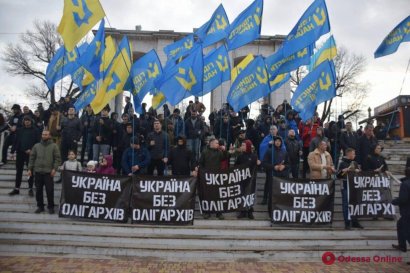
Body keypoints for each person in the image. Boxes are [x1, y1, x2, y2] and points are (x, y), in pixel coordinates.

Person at [28, 130, 61, 214]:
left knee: (49, 190)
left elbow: (57, 159)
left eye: (46, 134)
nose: (44, 136)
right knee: (38, 190)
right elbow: (32, 158)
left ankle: (50, 207)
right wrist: (29, 169)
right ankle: (40, 206)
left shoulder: (54, 146)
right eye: (43, 134)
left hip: (48, 172)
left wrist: (54, 169)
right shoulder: (36, 146)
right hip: (38, 171)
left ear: (49, 136)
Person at [198, 138, 229, 220]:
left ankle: (219, 213)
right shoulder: (205, 152)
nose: (218, 144)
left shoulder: (219, 152)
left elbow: (225, 158)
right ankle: (207, 212)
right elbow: (201, 163)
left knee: (218, 196)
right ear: (211, 144)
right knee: (207, 196)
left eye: (218, 143)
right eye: (216, 143)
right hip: (208, 177)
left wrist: (224, 150)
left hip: (217, 177)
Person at [9, 115, 40, 196]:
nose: (27, 121)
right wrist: (12, 152)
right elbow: (16, 141)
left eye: (28, 120)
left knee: (30, 172)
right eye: (25, 120)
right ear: (23, 122)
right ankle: (17, 188)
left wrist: (32, 149)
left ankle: (30, 188)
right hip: (20, 153)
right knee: (18, 171)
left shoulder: (35, 130)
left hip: (30, 154)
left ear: (31, 121)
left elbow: (38, 142)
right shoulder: (20, 130)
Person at [337, 148, 363, 229]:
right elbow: (338, 175)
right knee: (346, 204)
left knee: (355, 203)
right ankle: (347, 222)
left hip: (353, 186)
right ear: (348, 154)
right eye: (353, 154)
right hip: (345, 186)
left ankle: (355, 221)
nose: (355, 155)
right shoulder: (342, 163)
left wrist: (358, 171)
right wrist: (344, 171)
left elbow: (359, 174)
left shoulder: (354, 163)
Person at [262, 136, 289, 213]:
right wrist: (274, 167)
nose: (277, 142)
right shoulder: (269, 151)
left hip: (282, 177)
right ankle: (271, 211)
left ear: (281, 142)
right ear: (274, 142)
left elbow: (288, 164)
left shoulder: (284, 152)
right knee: (272, 194)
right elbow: (264, 164)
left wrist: (284, 166)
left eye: (279, 141)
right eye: (276, 141)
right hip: (272, 176)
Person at [235, 140, 259, 219]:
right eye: (242, 145)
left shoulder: (254, 156)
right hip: (242, 180)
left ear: (248, 146)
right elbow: (235, 167)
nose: (242, 147)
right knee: (242, 195)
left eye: (243, 145)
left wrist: (259, 163)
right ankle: (243, 211)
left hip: (251, 180)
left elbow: (256, 167)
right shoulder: (240, 156)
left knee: (250, 195)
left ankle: (250, 211)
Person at [392, 157, 410, 253]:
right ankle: (402, 245)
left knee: (407, 233)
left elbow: (403, 199)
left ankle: (402, 245)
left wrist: (393, 201)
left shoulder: (405, 184)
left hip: (407, 212)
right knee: (400, 224)